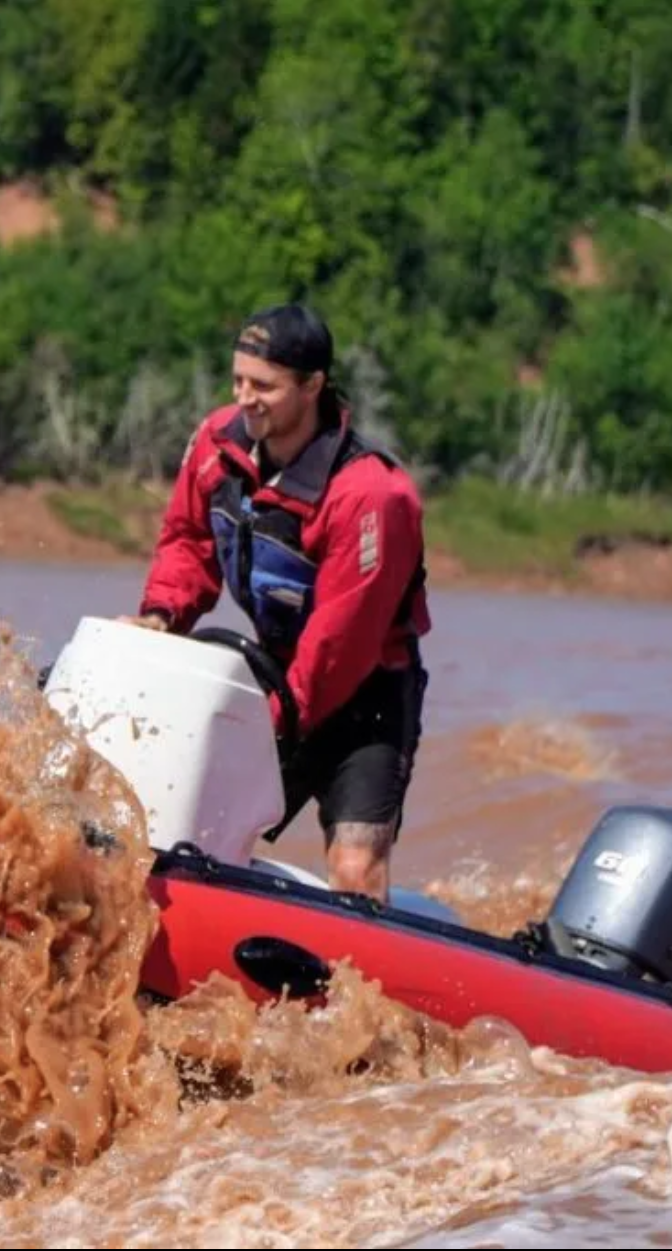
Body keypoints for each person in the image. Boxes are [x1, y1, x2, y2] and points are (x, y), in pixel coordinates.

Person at [124, 305, 430, 904]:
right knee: (194, 839)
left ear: (313, 385)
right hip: (273, 675)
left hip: (366, 697)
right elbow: (187, 541)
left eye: (264, 385)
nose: (245, 398)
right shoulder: (217, 444)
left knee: (353, 868)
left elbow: (342, 641)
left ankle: (363, 984)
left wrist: (263, 721)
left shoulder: (370, 495)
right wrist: (161, 616)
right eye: (238, 380)